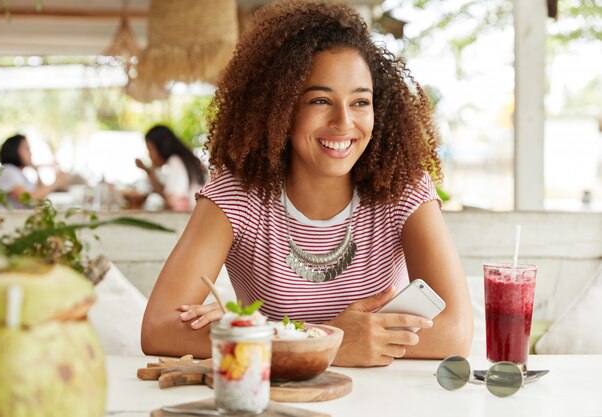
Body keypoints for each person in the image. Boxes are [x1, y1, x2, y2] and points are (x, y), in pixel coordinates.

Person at [142, 0, 473, 366]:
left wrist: (255, 332)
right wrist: (331, 340)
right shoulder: (237, 194)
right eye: (320, 100)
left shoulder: (403, 189)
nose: (344, 122)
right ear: (280, 108)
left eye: (360, 102)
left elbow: (454, 331)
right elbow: (158, 329)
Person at [135, 125, 207, 212]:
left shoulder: (176, 161)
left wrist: (150, 172)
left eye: (150, 150)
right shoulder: (185, 159)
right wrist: (149, 172)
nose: (149, 156)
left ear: (160, 147)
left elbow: (172, 201)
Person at [0, 134, 70, 208]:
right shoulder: (8, 171)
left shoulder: (20, 174)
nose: (30, 153)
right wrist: (57, 182)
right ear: (14, 150)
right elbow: (29, 200)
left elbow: (41, 200)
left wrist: (37, 170)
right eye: (27, 149)